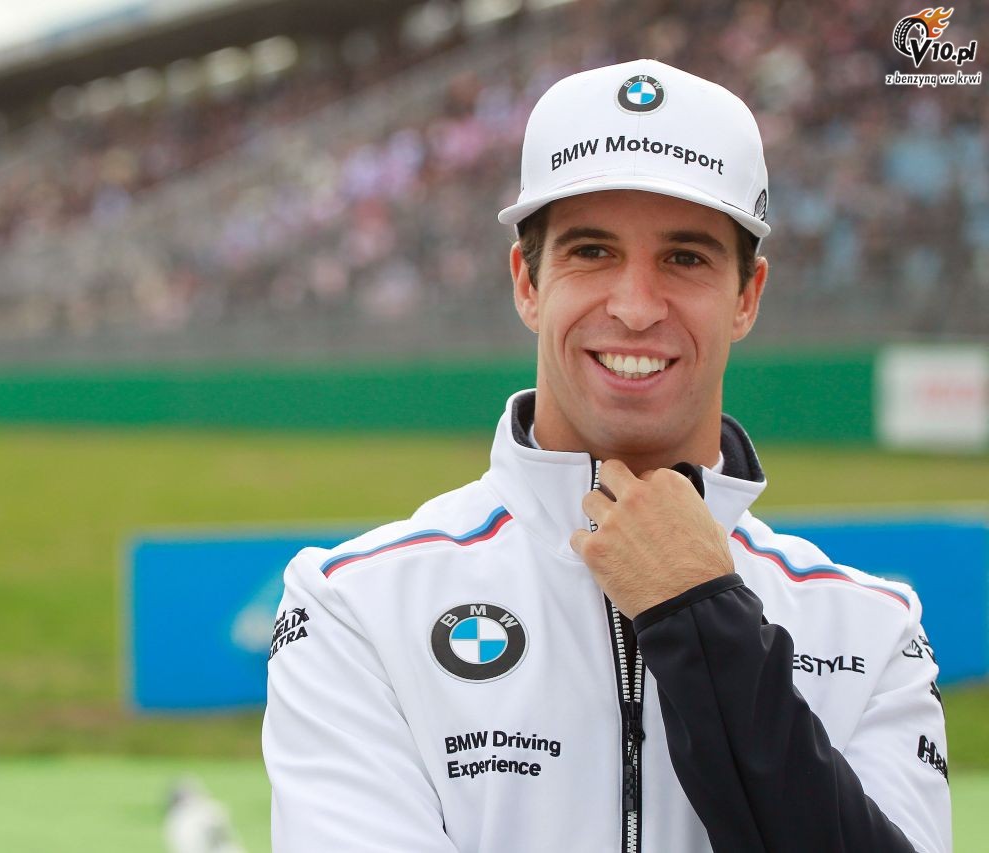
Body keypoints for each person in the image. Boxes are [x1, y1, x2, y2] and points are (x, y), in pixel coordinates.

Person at [262, 59, 952, 852]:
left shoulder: (872, 631)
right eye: (592, 251)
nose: (634, 306)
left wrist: (704, 615)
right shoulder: (353, 606)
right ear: (527, 282)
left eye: (685, 258)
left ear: (747, 296)